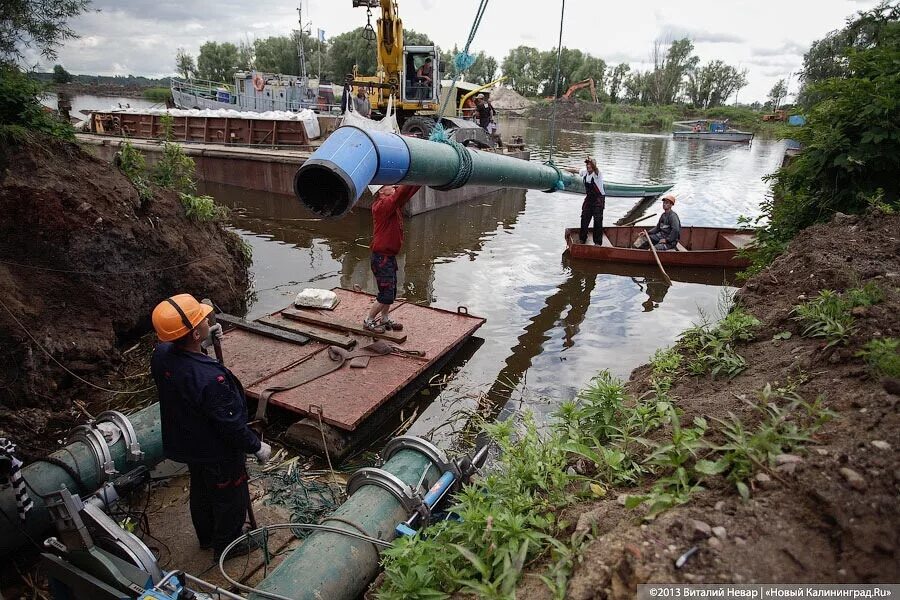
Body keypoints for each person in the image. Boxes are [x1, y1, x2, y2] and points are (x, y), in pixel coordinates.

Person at [150, 294, 272, 560]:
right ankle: (228, 545)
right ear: (194, 334)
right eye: (202, 321)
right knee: (231, 496)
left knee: (202, 490)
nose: (207, 320)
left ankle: (206, 537)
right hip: (218, 451)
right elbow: (230, 424)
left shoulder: (160, 355)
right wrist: (256, 446)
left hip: (189, 443)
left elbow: (181, 360)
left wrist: (202, 343)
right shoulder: (211, 379)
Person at [364, 184, 421, 333]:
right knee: (386, 294)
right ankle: (368, 320)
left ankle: (384, 319)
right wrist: (411, 178)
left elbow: (404, 195)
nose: (395, 186)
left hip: (388, 257)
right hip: (382, 259)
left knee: (391, 291)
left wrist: (421, 180)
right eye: (390, 185)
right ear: (381, 191)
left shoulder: (391, 205)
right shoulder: (382, 206)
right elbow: (400, 194)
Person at [564, 157, 606, 245]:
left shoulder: (597, 174)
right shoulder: (585, 172)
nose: (588, 166)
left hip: (598, 199)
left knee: (597, 220)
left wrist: (592, 162)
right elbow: (576, 170)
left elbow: (595, 168)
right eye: (587, 164)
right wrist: (565, 169)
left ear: (593, 166)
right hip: (589, 198)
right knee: (584, 218)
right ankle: (582, 238)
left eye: (590, 164)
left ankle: (597, 243)